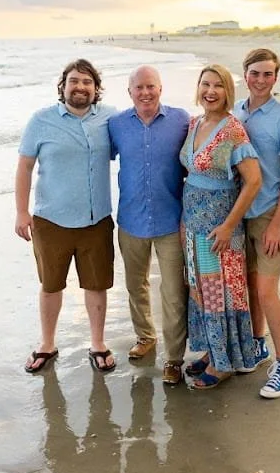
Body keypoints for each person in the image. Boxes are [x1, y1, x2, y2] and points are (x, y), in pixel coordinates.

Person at [16, 58, 117, 375]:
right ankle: (47, 344)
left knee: (96, 284)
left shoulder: (110, 119)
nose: (80, 87)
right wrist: (21, 212)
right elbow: (25, 167)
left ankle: (98, 344)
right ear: (63, 86)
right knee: (50, 285)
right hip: (51, 220)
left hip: (95, 219)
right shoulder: (41, 121)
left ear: (96, 89)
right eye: (74, 81)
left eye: (87, 82)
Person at [180, 64, 263, 389]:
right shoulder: (194, 123)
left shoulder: (232, 130)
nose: (210, 91)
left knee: (220, 293)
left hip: (219, 228)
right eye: (205, 84)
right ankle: (213, 351)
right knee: (201, 290)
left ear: (228, 92)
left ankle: (223, 361)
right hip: (193, 224)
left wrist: (230, 225)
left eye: (218, 86)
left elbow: (253, 181)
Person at [108, 65, 191, 385]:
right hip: (130, 220)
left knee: (172, 293)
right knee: (135, 285)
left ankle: (174, 358)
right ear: (129, 92)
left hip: (171, 220)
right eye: (139, 87)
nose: (145, 93)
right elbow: (95, 156)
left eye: (151, 86)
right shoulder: (116, 125)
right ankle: (145, 336)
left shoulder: (181, 120)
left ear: (161, 88)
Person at [233, 48, 280, 399]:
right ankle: (258, 345)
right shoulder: (235, 111)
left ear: (276, 78)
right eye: (255, 73)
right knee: (247, 284)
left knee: (266, 290)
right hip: (238, 212)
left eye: (268, 74)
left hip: (270, 212)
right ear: (244, 74)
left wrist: (276, 222)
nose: (261, 80)